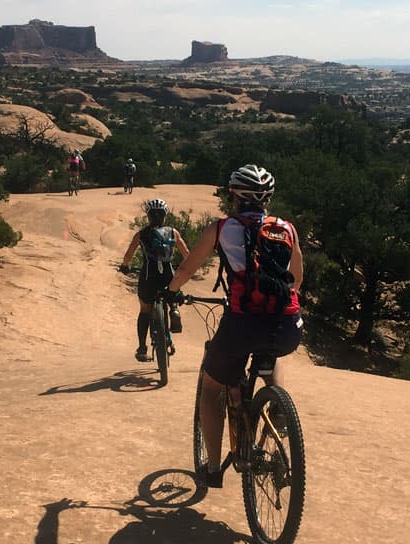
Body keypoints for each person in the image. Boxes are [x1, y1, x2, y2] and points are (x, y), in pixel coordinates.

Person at [165, 164, 303, 488]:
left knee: (212, 387)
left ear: (234, 197)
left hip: (242, 323)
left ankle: (213, 467)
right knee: (271, 356)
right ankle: (276, 406)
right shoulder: (287, 229)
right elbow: (296, 278)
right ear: (267, 198)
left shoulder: (221, 228)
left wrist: (169, 291)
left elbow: (187, 267)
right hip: (285, 325)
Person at [119, 199, 190, 362]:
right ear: (165, 216)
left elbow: (128, 255)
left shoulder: (141, 234)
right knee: (173, 292)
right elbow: (187, 254)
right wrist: (184, 266)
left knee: (144, 310)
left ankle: (142, 347)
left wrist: (125, 266)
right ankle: (173, 309)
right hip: (168, 275)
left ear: (148, 216)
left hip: (148, 276)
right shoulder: (174, 233)